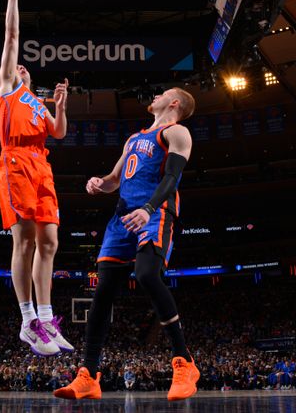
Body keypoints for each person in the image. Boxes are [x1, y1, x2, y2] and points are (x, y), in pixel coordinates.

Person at [54, 88, 200, 402]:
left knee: (147, 275)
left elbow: (172, 178)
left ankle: (184, 362)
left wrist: (147, 209)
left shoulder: (176, 132)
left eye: (162, 93)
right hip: (121, 218)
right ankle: (89, 375)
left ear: (173, 103)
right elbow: (114, 179)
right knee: (103, 290)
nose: (156, 95)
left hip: (154, 212)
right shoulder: (134, 138)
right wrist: (99, 183)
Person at [0, 0, 71, 356]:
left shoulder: (39, 104)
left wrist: (59, 106)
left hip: (41, 165)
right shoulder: (8, 88)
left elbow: (58, 133)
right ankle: (27, 320)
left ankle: (46, 314)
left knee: (51, 242)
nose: (20, 65)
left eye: (25, 67)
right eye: (17, 65)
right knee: (23, 241)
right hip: (14, 162)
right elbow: (12, 36)